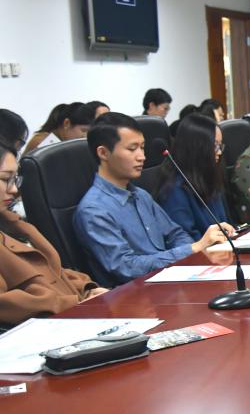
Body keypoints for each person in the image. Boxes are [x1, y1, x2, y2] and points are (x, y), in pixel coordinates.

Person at [74, 114, 227, 287]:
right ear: (103, 153)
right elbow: (126, 267)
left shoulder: (141, 195)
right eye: (132, 149)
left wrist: (191, 253)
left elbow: (176, 234)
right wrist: (192, 249)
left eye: (142, 147)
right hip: (135, 293)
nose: (142, 157)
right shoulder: (94, 210)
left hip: (170, 281)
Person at [0, 139, 107, 327]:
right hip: (43, 330)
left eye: (15, 179)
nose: (14, 189)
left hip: (70, 316)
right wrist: (72, 302)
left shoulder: (13, 224)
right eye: (5, 179)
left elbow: (53, 272)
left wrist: (86, 289)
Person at [156, 113, 235, 238]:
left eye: (220, 146)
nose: (219, 152)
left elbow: (225, 224)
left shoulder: (209, 177)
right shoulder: (174, 189)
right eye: (214, 146)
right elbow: (184, 240)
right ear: (197, 148)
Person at [22, 101, 99, 156]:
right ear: (67, 123)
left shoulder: (60, 142)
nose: (85, 136)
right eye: (83, 130)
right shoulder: (43, 142)